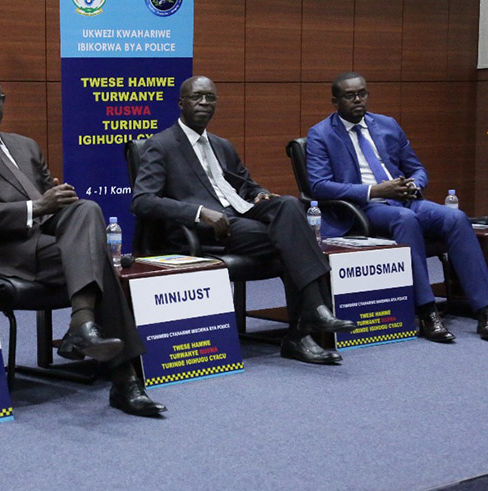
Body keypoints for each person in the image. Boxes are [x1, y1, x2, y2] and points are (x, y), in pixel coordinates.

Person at [0, 71, 165, 417]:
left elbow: (49, 203)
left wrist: (58, 200)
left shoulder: (25, 145)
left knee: (86, 208)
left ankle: (82, 327)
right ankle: (124, 380)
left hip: (47, 242)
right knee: (97, 259)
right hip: (0, 249)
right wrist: (36, 206)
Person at [132, 75, 357, 365]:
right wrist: (199, 213)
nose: (204, 103)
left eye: (210, 98)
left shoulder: (221, 145)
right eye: (196, 97)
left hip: (241, 215)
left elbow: (247, 185)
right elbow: (142, 201)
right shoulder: (160, 145)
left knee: (288, 204)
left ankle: (309, 322)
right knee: (293, 241)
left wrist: (261, 194)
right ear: (181, 103)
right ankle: (305, 328)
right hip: (206, 228)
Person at [306, 72, 488, 343]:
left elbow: (416, 167)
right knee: (405, 219)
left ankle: (485, 309)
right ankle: (427, 310)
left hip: (405, 198)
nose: (358, 100)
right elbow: (319, 185)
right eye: (349, 96)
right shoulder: (321, 134)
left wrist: (415, 184)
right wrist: (374, 190)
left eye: (362, 93)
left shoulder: (387, 125)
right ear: (335, 101)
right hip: (363, 207)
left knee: (456, 217)